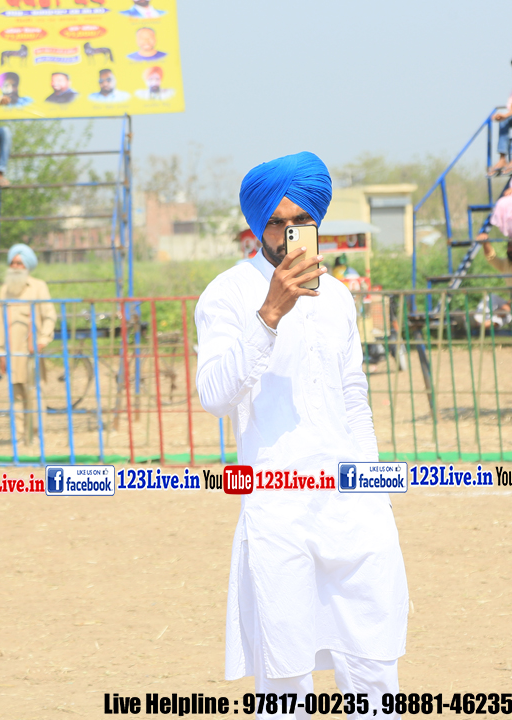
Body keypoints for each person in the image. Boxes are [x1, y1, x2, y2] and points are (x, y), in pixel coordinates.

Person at [195, 151, 408, 718]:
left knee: (373, 664)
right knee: (285, 674)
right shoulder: (228, 293)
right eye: (276, 222)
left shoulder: (337, 295)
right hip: (278, 509)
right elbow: (213, 395)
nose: (287, 233)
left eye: (301, 221)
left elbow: (353, 397)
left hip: (353, 504)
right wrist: (269, 315)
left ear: (316, 223)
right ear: (256, 224)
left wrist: (376, 490)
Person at [0, 244, 56, 444]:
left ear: (27, 266)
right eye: (12, 263)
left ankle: (35, 434)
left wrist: (42, 340)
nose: (15, 267)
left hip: (31, 350)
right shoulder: (4, 290)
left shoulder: (38, 286)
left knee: (34, 393)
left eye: (19, 263)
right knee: (16, 394)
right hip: (11, 351)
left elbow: (49, 315)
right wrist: (1, 352)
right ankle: (19, 435)